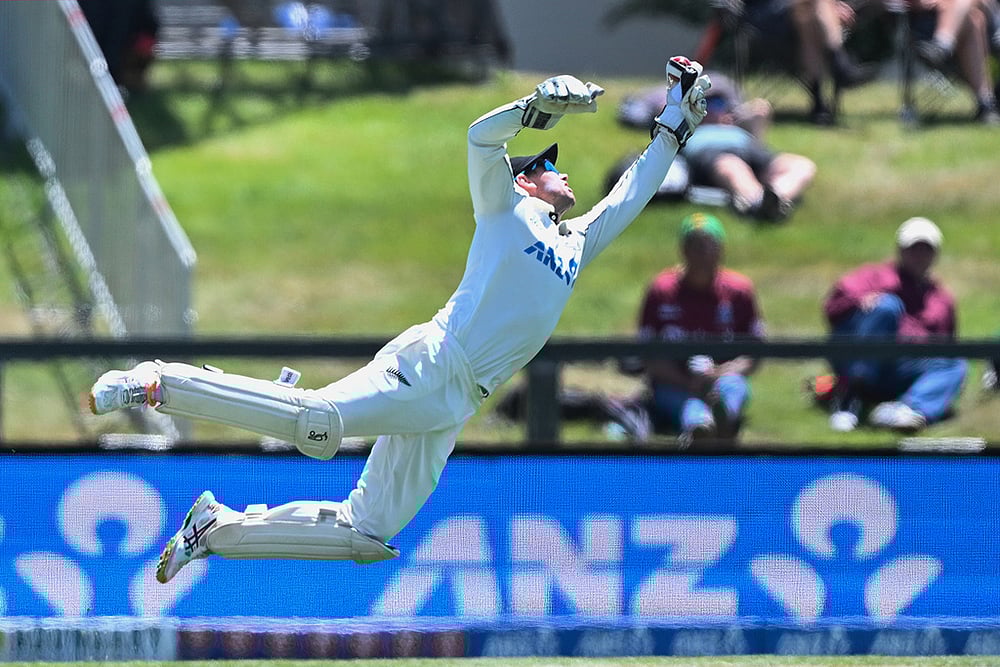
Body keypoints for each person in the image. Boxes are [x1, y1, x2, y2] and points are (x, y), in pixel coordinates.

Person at [87, 58, 712, 583]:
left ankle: (216, 529)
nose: (562, 171)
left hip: (456, 402)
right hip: (434, 360)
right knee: (316, 423)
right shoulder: (504, 206)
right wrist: (536, 107)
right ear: (524, 182)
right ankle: (158, 381)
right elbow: (480, 140)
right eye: (548, 165)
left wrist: (674, 123)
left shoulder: (575, 243)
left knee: (366, 533)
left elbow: (631, 194)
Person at [823, 216, 967, 432]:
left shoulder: (941, 299)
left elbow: (946, 345)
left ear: (935, 255)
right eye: (913, 249)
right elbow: (832, 309)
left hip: (901, 367)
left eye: (926, 250)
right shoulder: (873, 277)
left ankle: (907, 410)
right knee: (887, 307)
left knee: (955, 362)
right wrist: (860, 303)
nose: (919, 256)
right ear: (900, 250)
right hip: (856, 359)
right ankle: (850, 398)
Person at [636, 213, 765, 448]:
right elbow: (649, 356)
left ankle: (725, 422)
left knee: (733, 388)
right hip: (674, 381)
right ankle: (700, 429)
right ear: (682, 250)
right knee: (689, 407)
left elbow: (754, 352)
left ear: (722, 249)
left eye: (709, 245)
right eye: (695, 245)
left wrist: (719, 373)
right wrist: (688, 382)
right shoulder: (661, 290)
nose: (702, 253)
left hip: (725, 376)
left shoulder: (739, 291)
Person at [681, 83, 817, 222]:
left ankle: (776, 197)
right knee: (733, 166)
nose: (716, 109)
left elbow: (760, 113)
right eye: (707, 104)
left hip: (750, 149)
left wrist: (740, 115)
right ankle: (757, 201)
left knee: (802, 165)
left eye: (720, 104)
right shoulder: (688, 129)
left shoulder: (736, 128)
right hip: (712, 152)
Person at [907, 0, 1000, 122]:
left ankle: (942, 46)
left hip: (961, 20)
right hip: (926, 24)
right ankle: (986, 104)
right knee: (973, 17)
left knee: (974, 17)